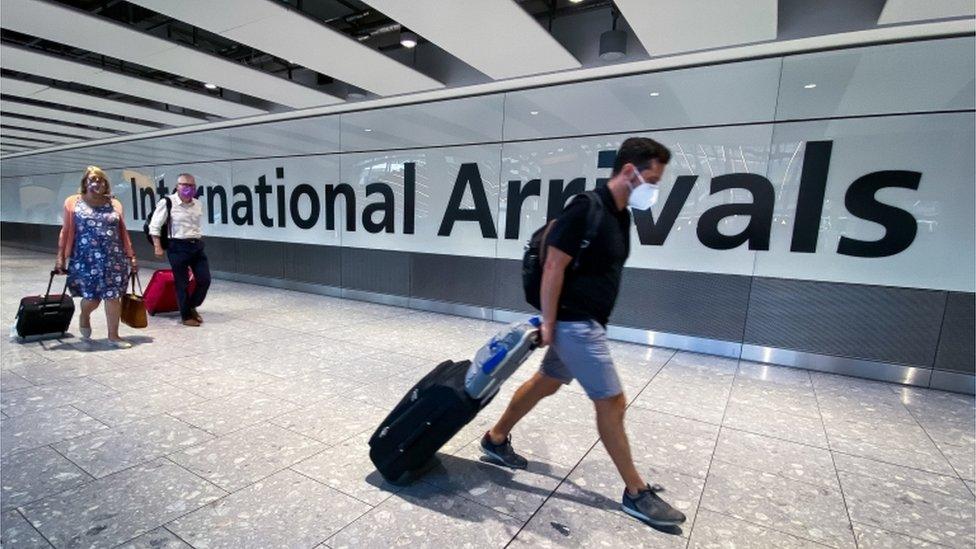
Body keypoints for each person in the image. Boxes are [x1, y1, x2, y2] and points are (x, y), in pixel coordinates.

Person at [480, 137, 686, 527]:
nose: (655, 188)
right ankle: (635, 493)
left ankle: (494, 439)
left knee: (547, 382)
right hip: (575, 324)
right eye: (653, 179)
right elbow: (554, 265)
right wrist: (551, 323)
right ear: (630, 171)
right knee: (612, 402)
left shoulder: (620, 214)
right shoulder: (585, 207)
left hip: (585, 322)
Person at [55, 166, 138, 349]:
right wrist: (60, 257)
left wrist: (131, 256)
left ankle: (113, 336)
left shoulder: (114, 204)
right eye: (92, 179)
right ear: (84, 183)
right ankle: (85, 315)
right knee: (92, 299)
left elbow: (122, 231)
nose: (97, 183)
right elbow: (66, 231)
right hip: (86, 259)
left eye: (101, 180)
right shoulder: (73, 203)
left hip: (114, 258)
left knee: (113, 296)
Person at [148, 173, 211, 327]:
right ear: (177, 186)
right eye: (185, 185)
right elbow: (154, 225)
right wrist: (158, 246)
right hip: (177, 246)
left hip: (196, 245)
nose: (188, 188)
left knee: (204, 279)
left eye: (191, 185)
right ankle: (186, 316)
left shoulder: (197, 204)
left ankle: (191, 305)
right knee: (181, 283)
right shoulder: (168, 202)